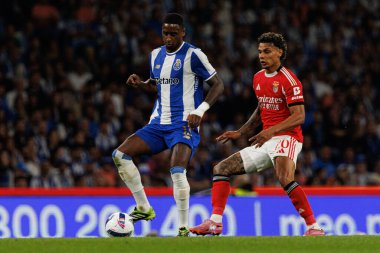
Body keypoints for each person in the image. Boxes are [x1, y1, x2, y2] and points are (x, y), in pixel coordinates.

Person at [190, 32, 325, 236]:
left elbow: (299, 116)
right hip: (267, 139)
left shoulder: (289, 80)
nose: (262, 56)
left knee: (284, 177)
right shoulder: (258, 78)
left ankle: (313, 227)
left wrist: (270, 131)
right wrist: (241, 131)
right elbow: (262, 108)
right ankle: (215, 222)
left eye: (267, 51)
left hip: (287, 137)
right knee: (221, 168)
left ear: (279, 52)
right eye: (260, 51)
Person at [112, 13, 224, 237]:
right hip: (157, 124)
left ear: (183, 32)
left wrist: (199, 111)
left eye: (174, 33)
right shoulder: (155, 55)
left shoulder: (194, 55)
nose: (169, 37)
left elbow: (218, 84)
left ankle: (182, 229)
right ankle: (143, 208)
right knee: (120, 155)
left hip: (184, 123)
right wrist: (142, 84)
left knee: (177, 170)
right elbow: (157, 86)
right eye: (165, 33)